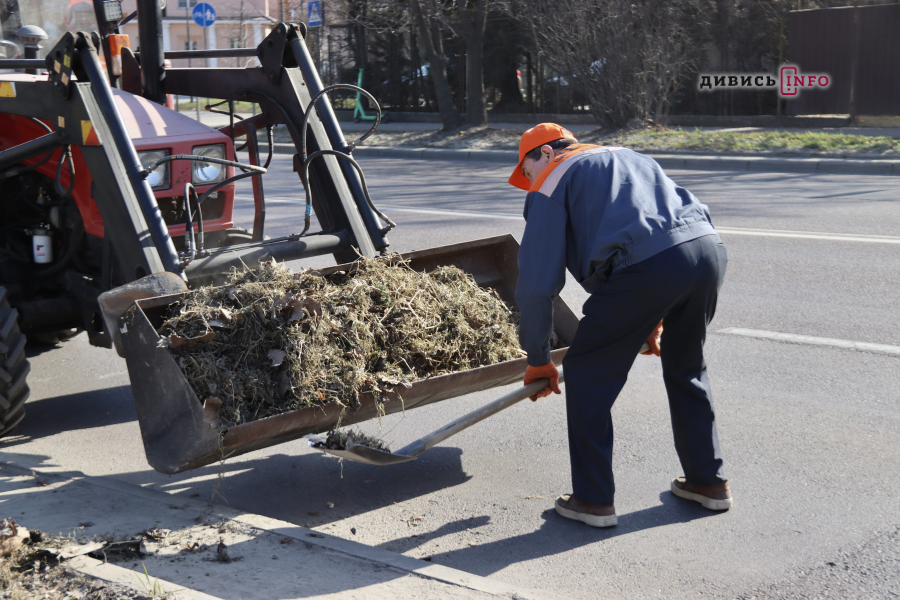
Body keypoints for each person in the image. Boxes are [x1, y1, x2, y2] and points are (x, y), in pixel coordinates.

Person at [510, 123, 731, 528]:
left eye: (526, 172)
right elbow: (662, 232)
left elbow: (537, 286)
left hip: (648, 269)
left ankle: (592, 501)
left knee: (587, 372)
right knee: (687, 366)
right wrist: (650, 315)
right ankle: (708, 482)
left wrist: (539, 357)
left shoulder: (553, 176)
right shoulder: (627, 156)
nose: (529, 183)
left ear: (541, 154)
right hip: (707, 249)